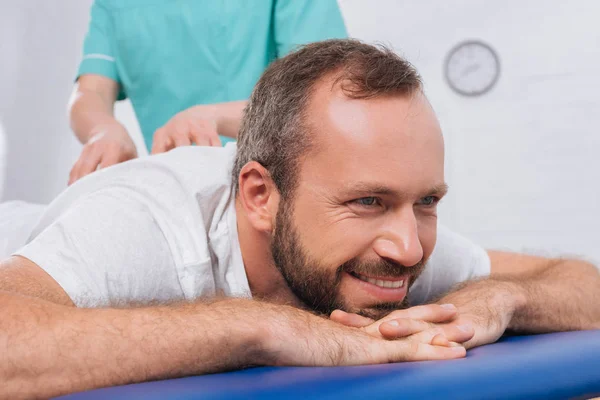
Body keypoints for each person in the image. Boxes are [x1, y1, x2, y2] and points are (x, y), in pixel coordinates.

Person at [1, 40, 599, 398]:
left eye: (427, 201)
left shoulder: (395, 241)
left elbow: (586, 289)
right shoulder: (149, 220)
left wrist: (497, 301)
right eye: (367, 201)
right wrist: (271, 330)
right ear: (261, 195)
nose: (411, 249)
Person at [67, 0, 347, 184]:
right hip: (176, 193)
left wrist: (212, 117)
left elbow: (322, 91)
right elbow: (90, 91)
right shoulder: (113, 6)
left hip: (277, 184)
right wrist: (103, 131)